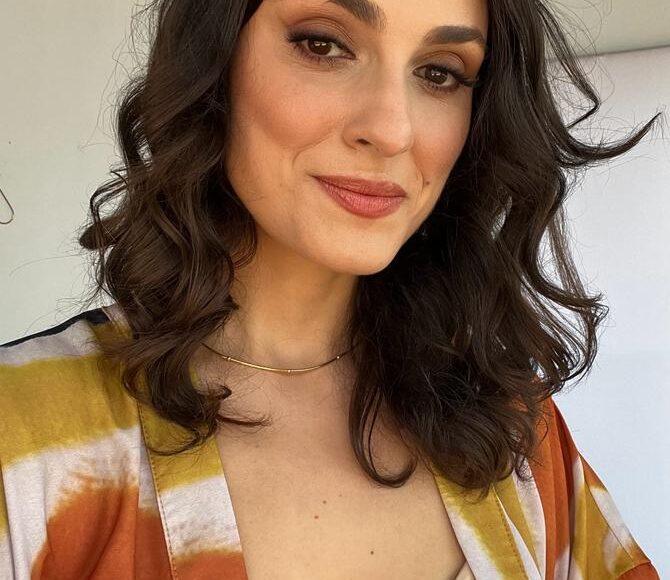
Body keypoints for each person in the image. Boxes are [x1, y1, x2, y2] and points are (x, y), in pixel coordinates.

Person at [0, 0, 662, 578]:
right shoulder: (24, 439)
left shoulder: (513, 430)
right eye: (323, 44)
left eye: (440, 73)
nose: (393, 130)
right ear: (215, 60)